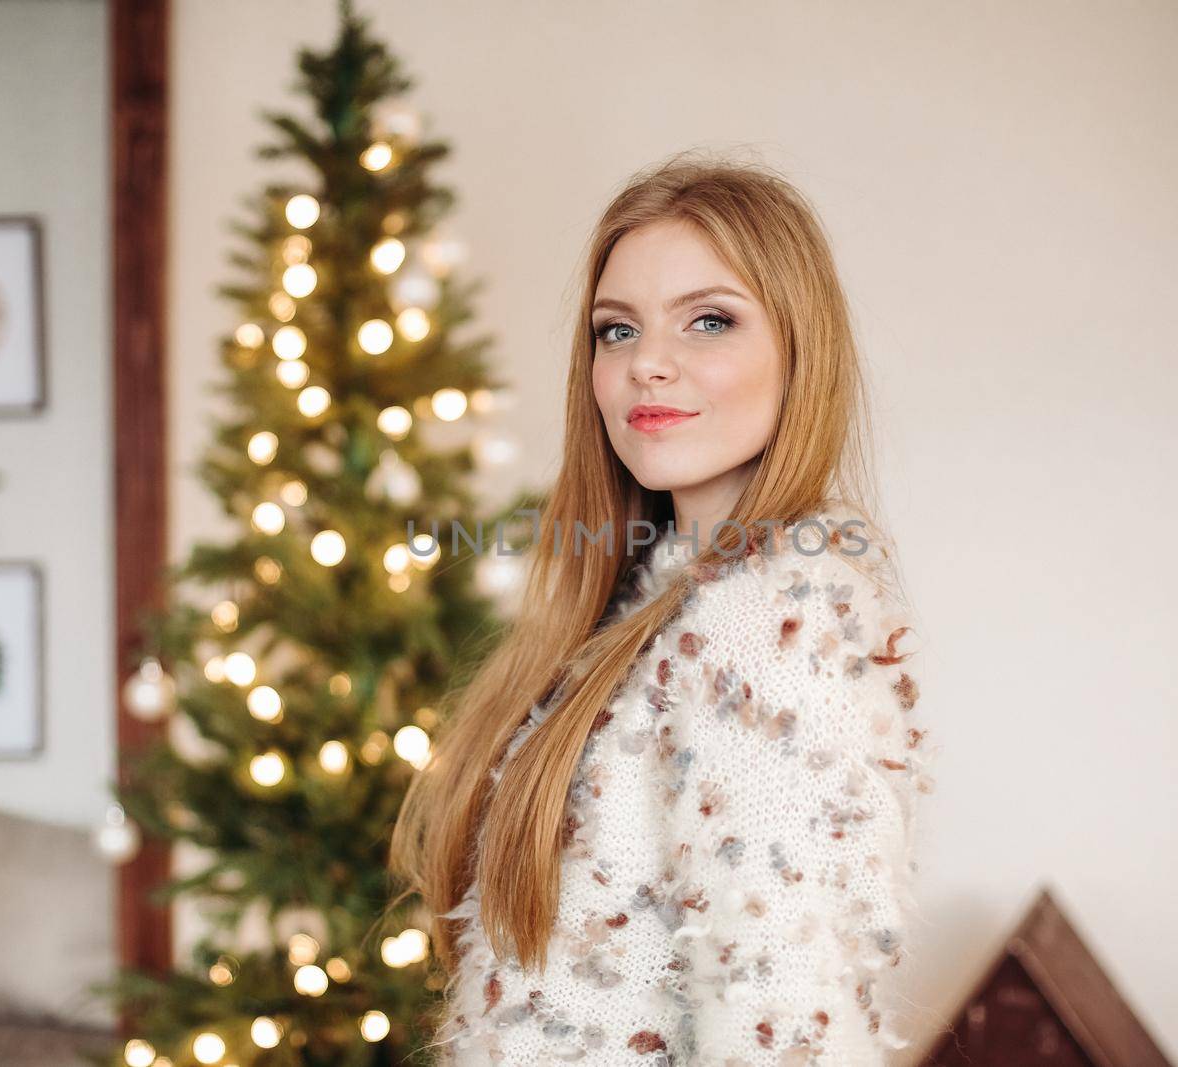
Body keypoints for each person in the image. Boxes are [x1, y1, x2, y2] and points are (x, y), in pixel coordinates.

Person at [389, 150, 935, 1065]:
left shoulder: (769, 623)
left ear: (801, 351)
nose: (649, 366)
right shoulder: (647, 599)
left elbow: (786, 1034)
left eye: (709, 321)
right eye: (617, 331)